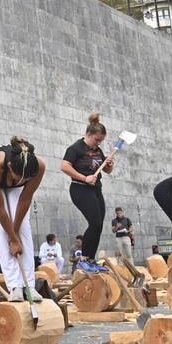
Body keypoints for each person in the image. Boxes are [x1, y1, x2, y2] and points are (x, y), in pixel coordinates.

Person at [0, 136, 46, 301]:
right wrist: (11, 238)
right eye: (18, 178)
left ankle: (29, 285)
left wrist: (15, 235)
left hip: (16, 191)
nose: (21, 181)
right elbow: (0, 209)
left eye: (26, 179)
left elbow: (25, 199)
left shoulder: (39, 166)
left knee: (24, 226)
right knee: (2, 229)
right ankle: (14, 285)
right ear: (9, 166)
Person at [61, 113, 115, 273]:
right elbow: (64, 166)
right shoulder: (75, 148)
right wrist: (85, 178)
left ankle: (91, 259)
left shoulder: (97, 150)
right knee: (95, 222)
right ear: (89, 135)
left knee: (98, 225)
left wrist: (109, 165)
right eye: (97, 140)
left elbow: (107, 170)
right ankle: (83, 259)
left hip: (96, 189)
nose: (98, 143)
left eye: (101, 141)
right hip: (80, 189)